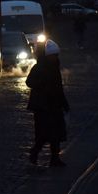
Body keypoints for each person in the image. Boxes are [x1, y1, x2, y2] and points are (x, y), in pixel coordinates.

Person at [26, 39, 70, 167]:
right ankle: (35, 153)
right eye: (53, 56)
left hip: (54, 105)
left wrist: (64, 103)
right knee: (43, 134)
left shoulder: (54, 68)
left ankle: (54, 158)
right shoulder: (39, 67)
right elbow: (29, 82)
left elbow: (58, 87)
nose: (55, 58)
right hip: (42, 106)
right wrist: (42, 85)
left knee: (55, 134)